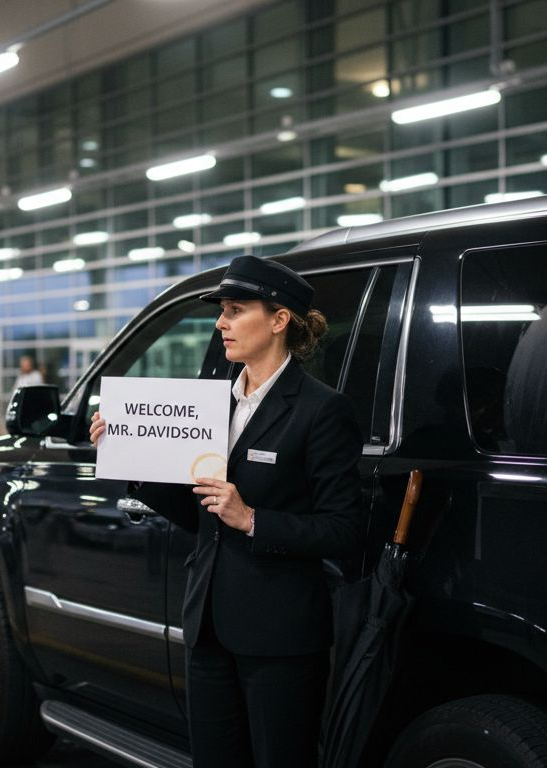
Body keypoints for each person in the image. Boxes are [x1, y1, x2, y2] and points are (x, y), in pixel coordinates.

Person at [90, 255, 364, 768]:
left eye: (236, 310)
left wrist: (253, 518)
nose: (221, 323)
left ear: (279, 320)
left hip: (279, 637)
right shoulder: (212, 404)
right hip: (208, 626)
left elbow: (344, 529)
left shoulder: (320, 410)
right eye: (223, 312)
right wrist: (129, 457)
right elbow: (199, 510)